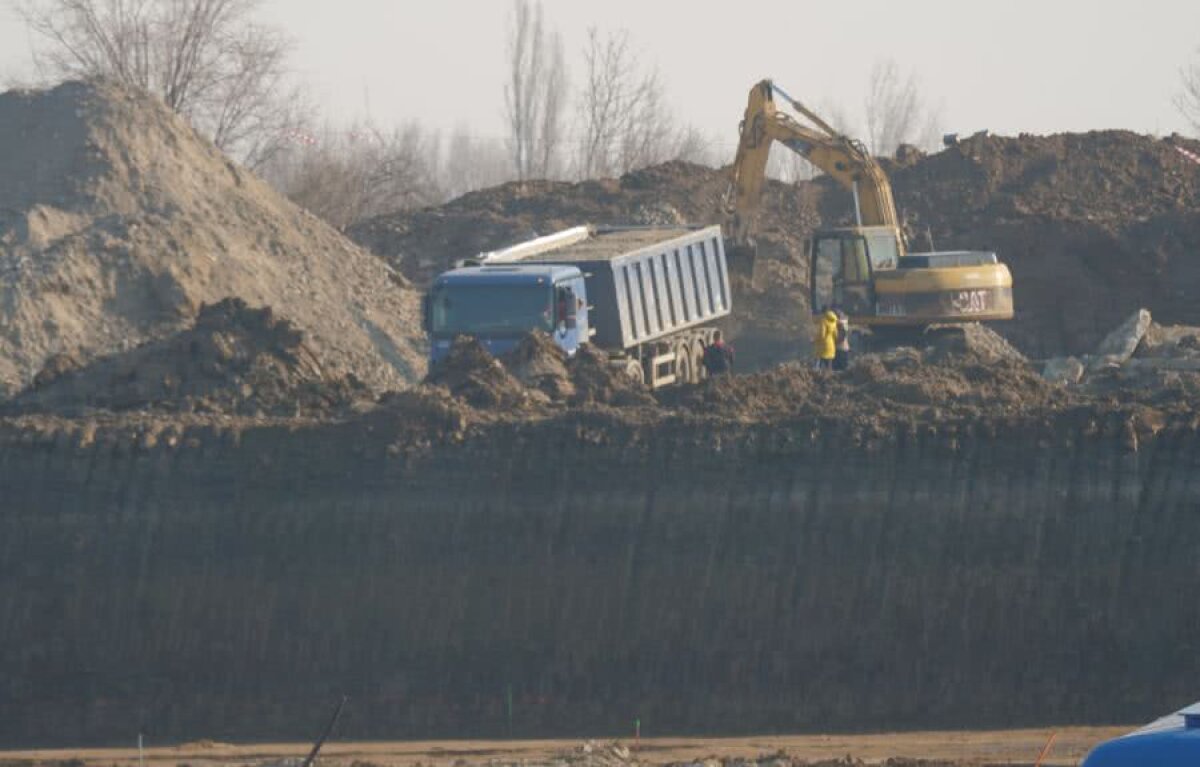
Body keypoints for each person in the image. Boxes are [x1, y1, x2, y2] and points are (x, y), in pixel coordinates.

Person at [833, 307, 851, 371]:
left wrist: (835, 342)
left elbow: (844, 335)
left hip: (841, 349)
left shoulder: (842, 323)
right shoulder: (844, 323)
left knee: (841, 368)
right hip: (842, 349)